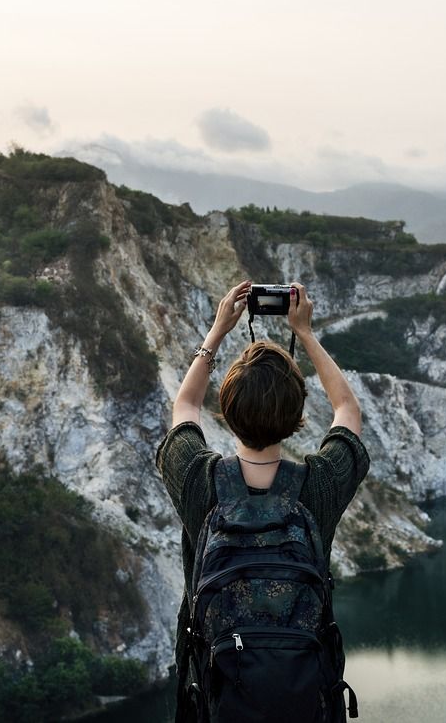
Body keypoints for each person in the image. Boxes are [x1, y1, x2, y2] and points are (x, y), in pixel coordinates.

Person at [155, 279, 369, 722]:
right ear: (296, 417)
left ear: (227, 412)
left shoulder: (201, 481)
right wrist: (305, 333)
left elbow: (185, 407)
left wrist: (216, 333)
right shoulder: (318, 487)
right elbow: (347, 410)